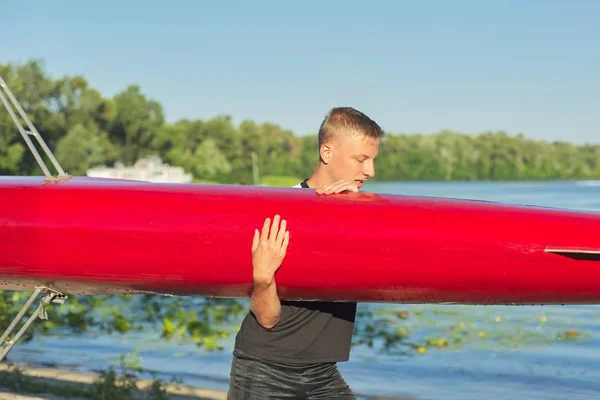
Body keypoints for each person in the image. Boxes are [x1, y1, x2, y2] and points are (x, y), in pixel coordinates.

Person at [228, 107, 384, 399]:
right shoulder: (282, 212)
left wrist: (357, 207)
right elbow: (267, 319)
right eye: (361, 159)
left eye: (373, 160)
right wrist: (262, 280)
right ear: (327, 152)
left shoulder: (360, 210)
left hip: (322, 372)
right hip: (265, 368)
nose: (370, 171)